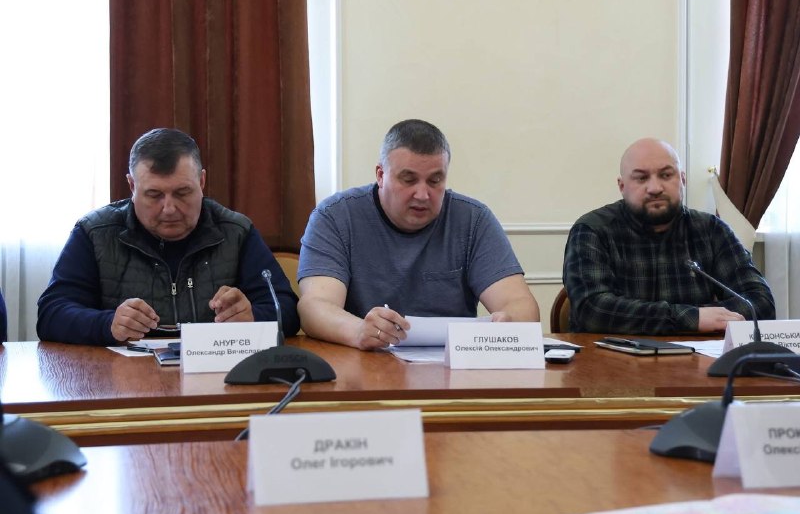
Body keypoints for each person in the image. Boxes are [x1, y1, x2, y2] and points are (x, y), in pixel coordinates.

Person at [37, 128, 299, 345]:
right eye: (154, 195)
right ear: (132, 186)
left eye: (182, 193)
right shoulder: (95, 232)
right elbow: (51, 314)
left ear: (202, 182)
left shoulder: (235, 231)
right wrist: (108, 324)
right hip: (123, 377)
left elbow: (287, 309)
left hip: (215, 375)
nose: (169, 208)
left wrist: (252, 317)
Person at [297, 119, 539, 350]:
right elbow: (315, 306)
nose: (422, 195)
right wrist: (359, 331)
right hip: (361, 360)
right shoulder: (335, 216)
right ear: (380, 175)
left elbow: (519, 304)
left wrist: (509, 324)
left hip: (450, 368)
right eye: (409, 180)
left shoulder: (473, 220)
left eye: (435, 181)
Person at [562, 137, 775, 334]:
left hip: (699, 359)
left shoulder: (712, 230)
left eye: (666, 175)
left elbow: (760, 303)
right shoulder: (593, 230)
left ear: (682, 179)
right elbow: (592, 311)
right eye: (641, 178)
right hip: (610, 359)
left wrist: (693, 318)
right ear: (622, 186)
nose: (655, 188)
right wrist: (692, 318)